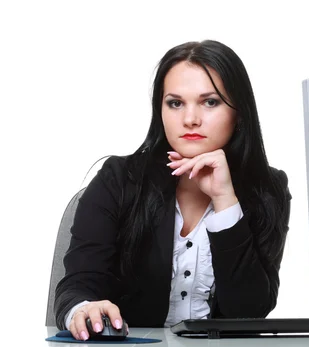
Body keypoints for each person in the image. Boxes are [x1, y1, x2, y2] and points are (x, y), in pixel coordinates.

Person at [53, 40, 292, 341]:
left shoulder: (268, 190)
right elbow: (75, 286)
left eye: (210, 102)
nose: (190, 119)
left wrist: (225, 200)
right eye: (175, 103)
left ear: (239, 112)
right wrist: (83, 310)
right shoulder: (119, 180)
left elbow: (249, 312)